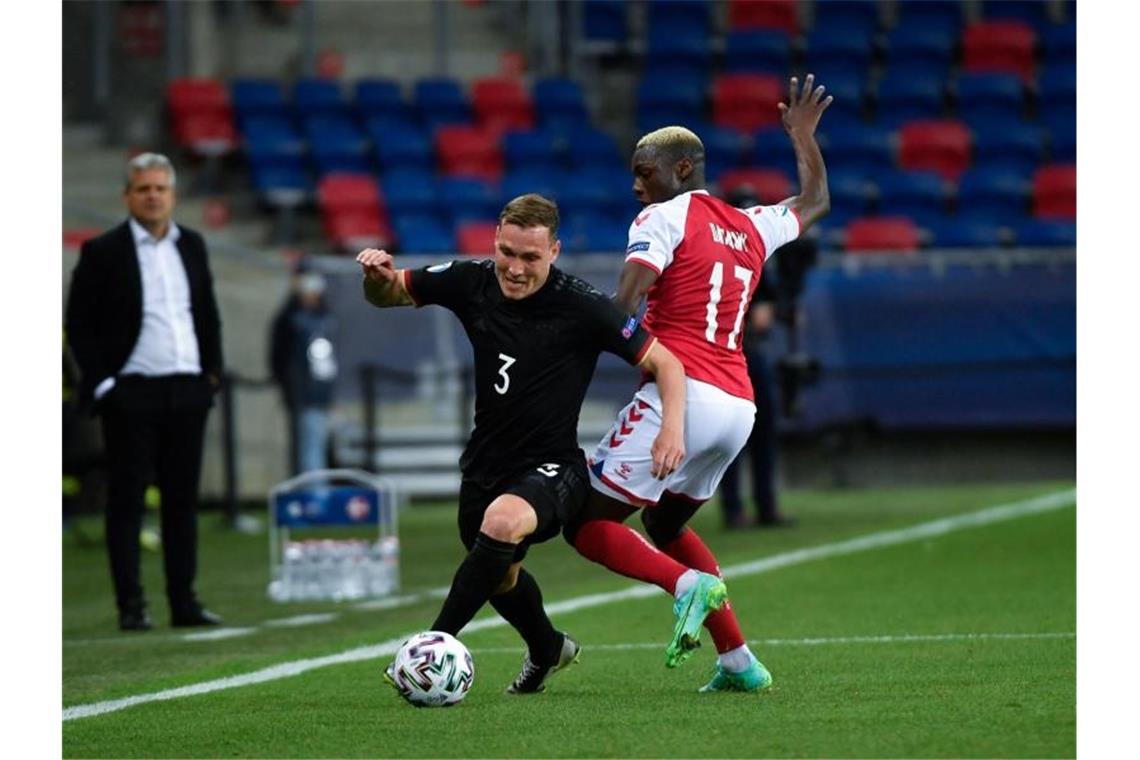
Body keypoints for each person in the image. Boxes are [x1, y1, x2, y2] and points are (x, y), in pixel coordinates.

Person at [356, 193, 690, 694]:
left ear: (553, 251)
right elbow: (388, 295)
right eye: (506, 252)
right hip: (485, 465)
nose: (514, 268)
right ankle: (547, 648)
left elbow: (667, 363)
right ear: (495, 241)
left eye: (529, 257)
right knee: (499, 575)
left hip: (555, 468)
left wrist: (672, 429)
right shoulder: (471, 281)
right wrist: (375, 278)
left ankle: (429, 646)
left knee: (502, 523)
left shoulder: (585, 306)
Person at [565, 74, 831, 692]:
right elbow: (815, 201)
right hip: (739, 405)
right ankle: (739, 662)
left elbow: (624, 303)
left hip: (682, 393)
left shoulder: (661, 217)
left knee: (586, 523)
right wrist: (802, 137)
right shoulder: (751, 225)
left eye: (645, 171)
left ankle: (685, 586)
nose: (637, 185)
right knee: (665, 526)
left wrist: (573, 349)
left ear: (682, 168)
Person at [65, 152, 225, 631]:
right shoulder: (103, 251)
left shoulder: (192, 245)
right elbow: (79, 324)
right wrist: (104, 383)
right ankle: (131, 606)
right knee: (127, 500)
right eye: (143, 188)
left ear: (173, 195)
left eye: (160, 188)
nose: (153, 195)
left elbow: (206, 314)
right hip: (131, 393)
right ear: (127, 196)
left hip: (187, 391)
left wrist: (210, 375)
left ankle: (184, 601)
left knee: (181, 502)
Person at [269, 267, 339, 475]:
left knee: (320, 447)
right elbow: (280, 356)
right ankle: (313, 499)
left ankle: (316, 496)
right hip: (303, 392)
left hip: (323, 393)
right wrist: (289, 388)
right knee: (309, 450)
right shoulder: (291, 317)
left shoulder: (325, 316)